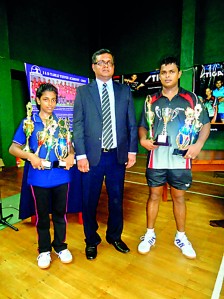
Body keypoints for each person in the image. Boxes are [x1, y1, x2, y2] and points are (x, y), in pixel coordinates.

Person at [137, 56, 211, 259]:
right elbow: (143, 125)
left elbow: (205, 124)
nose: (167, 75)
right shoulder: (151, 100)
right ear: (159, 75)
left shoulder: (192, 99)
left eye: (171, 71)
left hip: (181, 158)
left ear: (179, 74)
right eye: (163, 72)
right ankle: (149, 234)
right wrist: (143, 139)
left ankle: (181, 236)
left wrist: (198, 145)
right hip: (156, 158)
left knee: (178, 197)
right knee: (153, 196)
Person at [72, 48, 138, 260]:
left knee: (117, 200)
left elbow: (131, 123)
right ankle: (91, 240)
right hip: (91, 157)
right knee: (89, 201)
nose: (106, 65)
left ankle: (114, 236)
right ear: (93, 67)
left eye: (109, 62)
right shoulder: (83, 92)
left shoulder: (124, 91)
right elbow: (78, 125)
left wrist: (132, 150)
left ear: (113, 66)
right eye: (101, 62)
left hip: (117, 156)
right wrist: (80, 155)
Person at [9, 83, 74, 269]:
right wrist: (30, 156)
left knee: (61, 214)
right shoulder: (29, 123)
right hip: (39, 177)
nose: (50, 104)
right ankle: (44, 250)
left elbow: (68, 146)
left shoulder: (61, 123)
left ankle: (60, 246)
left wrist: (70, 154)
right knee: (43, 216)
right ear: (37, 100)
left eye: (53, 100)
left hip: (61, 175)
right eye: (46, 99)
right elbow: (13, 148)